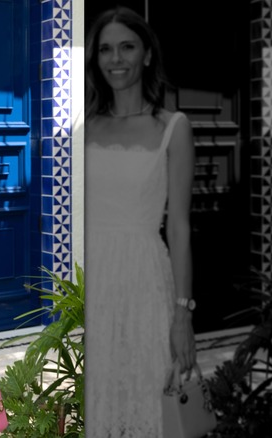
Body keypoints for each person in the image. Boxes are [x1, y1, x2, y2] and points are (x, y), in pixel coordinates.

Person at [84, 6, 197, 437]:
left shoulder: (173, 127)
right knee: (96, 400)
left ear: (147, 54)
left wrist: (183, 315)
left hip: (146, 281)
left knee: (147, 399)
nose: (116, 59)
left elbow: (181, 228)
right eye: (106, 49)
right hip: (91, 281)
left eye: (127, 47)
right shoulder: (85, 128)